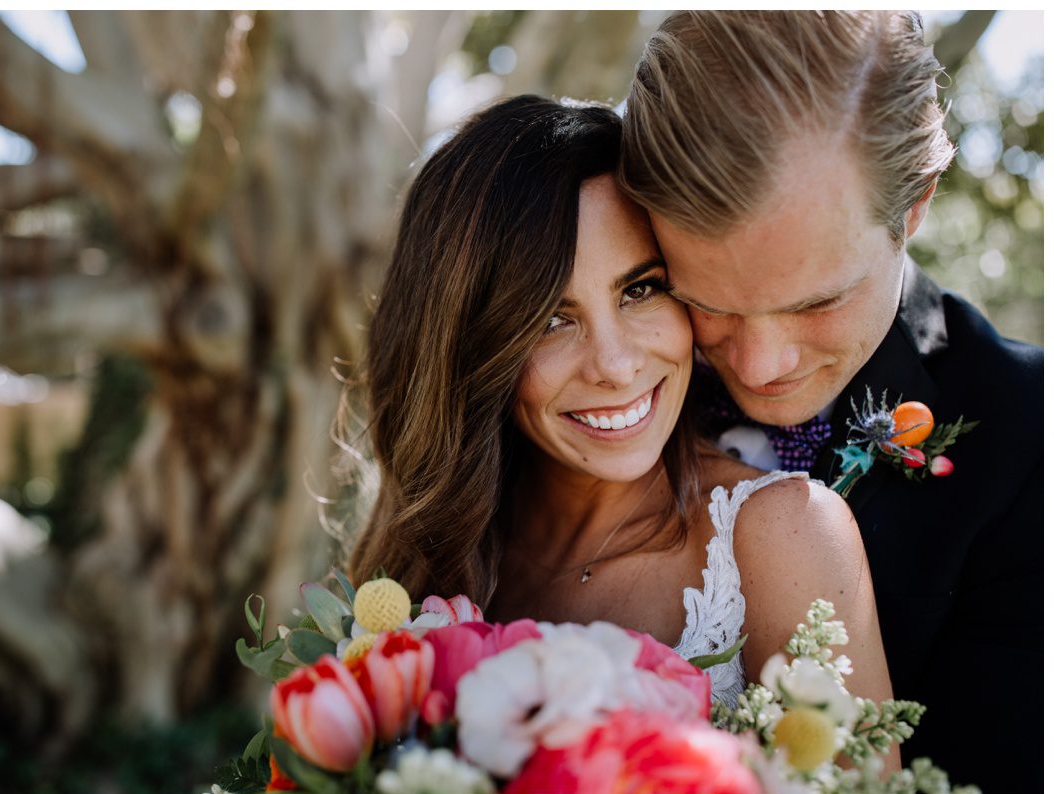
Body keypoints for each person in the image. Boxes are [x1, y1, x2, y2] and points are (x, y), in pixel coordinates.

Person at [343, 95, 895, 742]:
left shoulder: (783, 534)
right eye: (551, 318)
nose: (615, 364)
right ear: (472, 345)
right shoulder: (431, 563)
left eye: (641, 288)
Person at [617, 11, 1042, 794]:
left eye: (818, 303)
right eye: (706, 301)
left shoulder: (1029, 440)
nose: (759, 363)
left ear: (915, 205)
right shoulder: (601, 393)